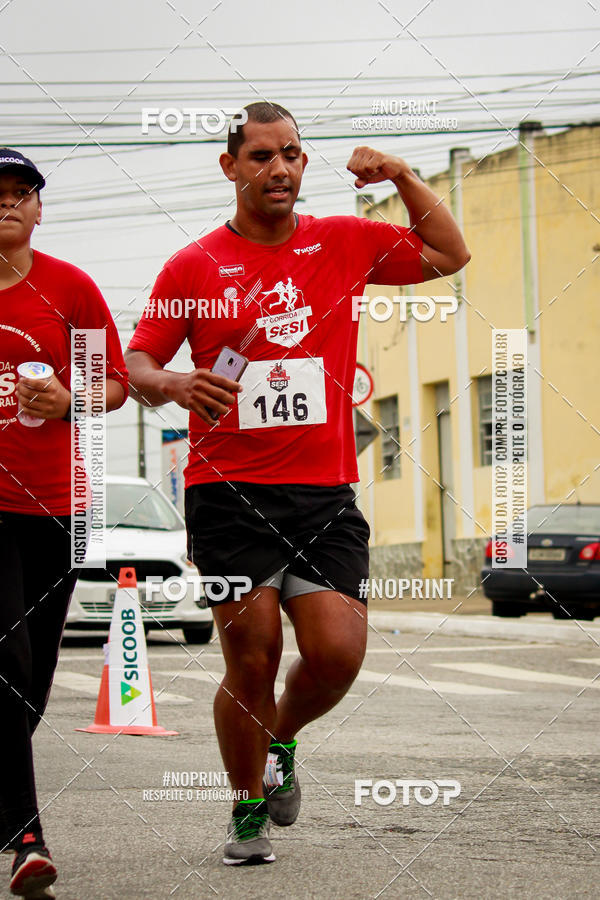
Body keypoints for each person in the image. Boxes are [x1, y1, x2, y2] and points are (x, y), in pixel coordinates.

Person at [125, 102, 469, 866]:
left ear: (303, 163)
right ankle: (246, 809)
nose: (279, 169)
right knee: (251, 651)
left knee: (338, 654)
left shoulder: (345, 241)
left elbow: (449, 254)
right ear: (230, 168)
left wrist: (405, 176)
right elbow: (136, 365)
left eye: (291, 154)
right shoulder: (192, 267)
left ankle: (280, 736)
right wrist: (177, 382)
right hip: (230, 488)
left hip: (324, 491)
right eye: (260, 157)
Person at [0, 149, 128, 897]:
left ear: (40, 209)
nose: (8, 204)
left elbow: (113, 383)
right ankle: (26, 839)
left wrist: (69, 399)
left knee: (33, 682)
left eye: (22, 194)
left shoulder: (69, 290)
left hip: (60, 506)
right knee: (6, 662)